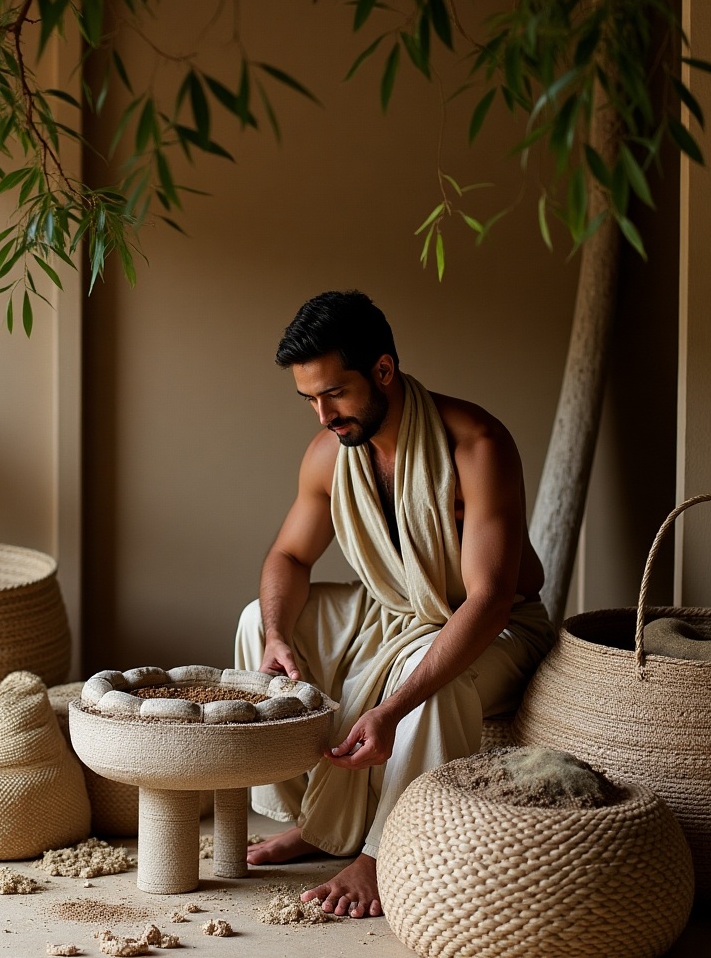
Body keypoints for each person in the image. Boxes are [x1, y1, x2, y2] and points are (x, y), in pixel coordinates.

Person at [235, 290, 555, 918]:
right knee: (257, 618)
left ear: (383, 370)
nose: (323, 415)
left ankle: (383, 854)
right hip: (395, 608)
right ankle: (315, 821)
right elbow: (289, 559)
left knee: (433, 686)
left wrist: (391, 708)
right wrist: (277, 636)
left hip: (495, 625)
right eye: (310, 400)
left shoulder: (477, 445)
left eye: (335, 393)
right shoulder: (332, 453)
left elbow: (490, 600)